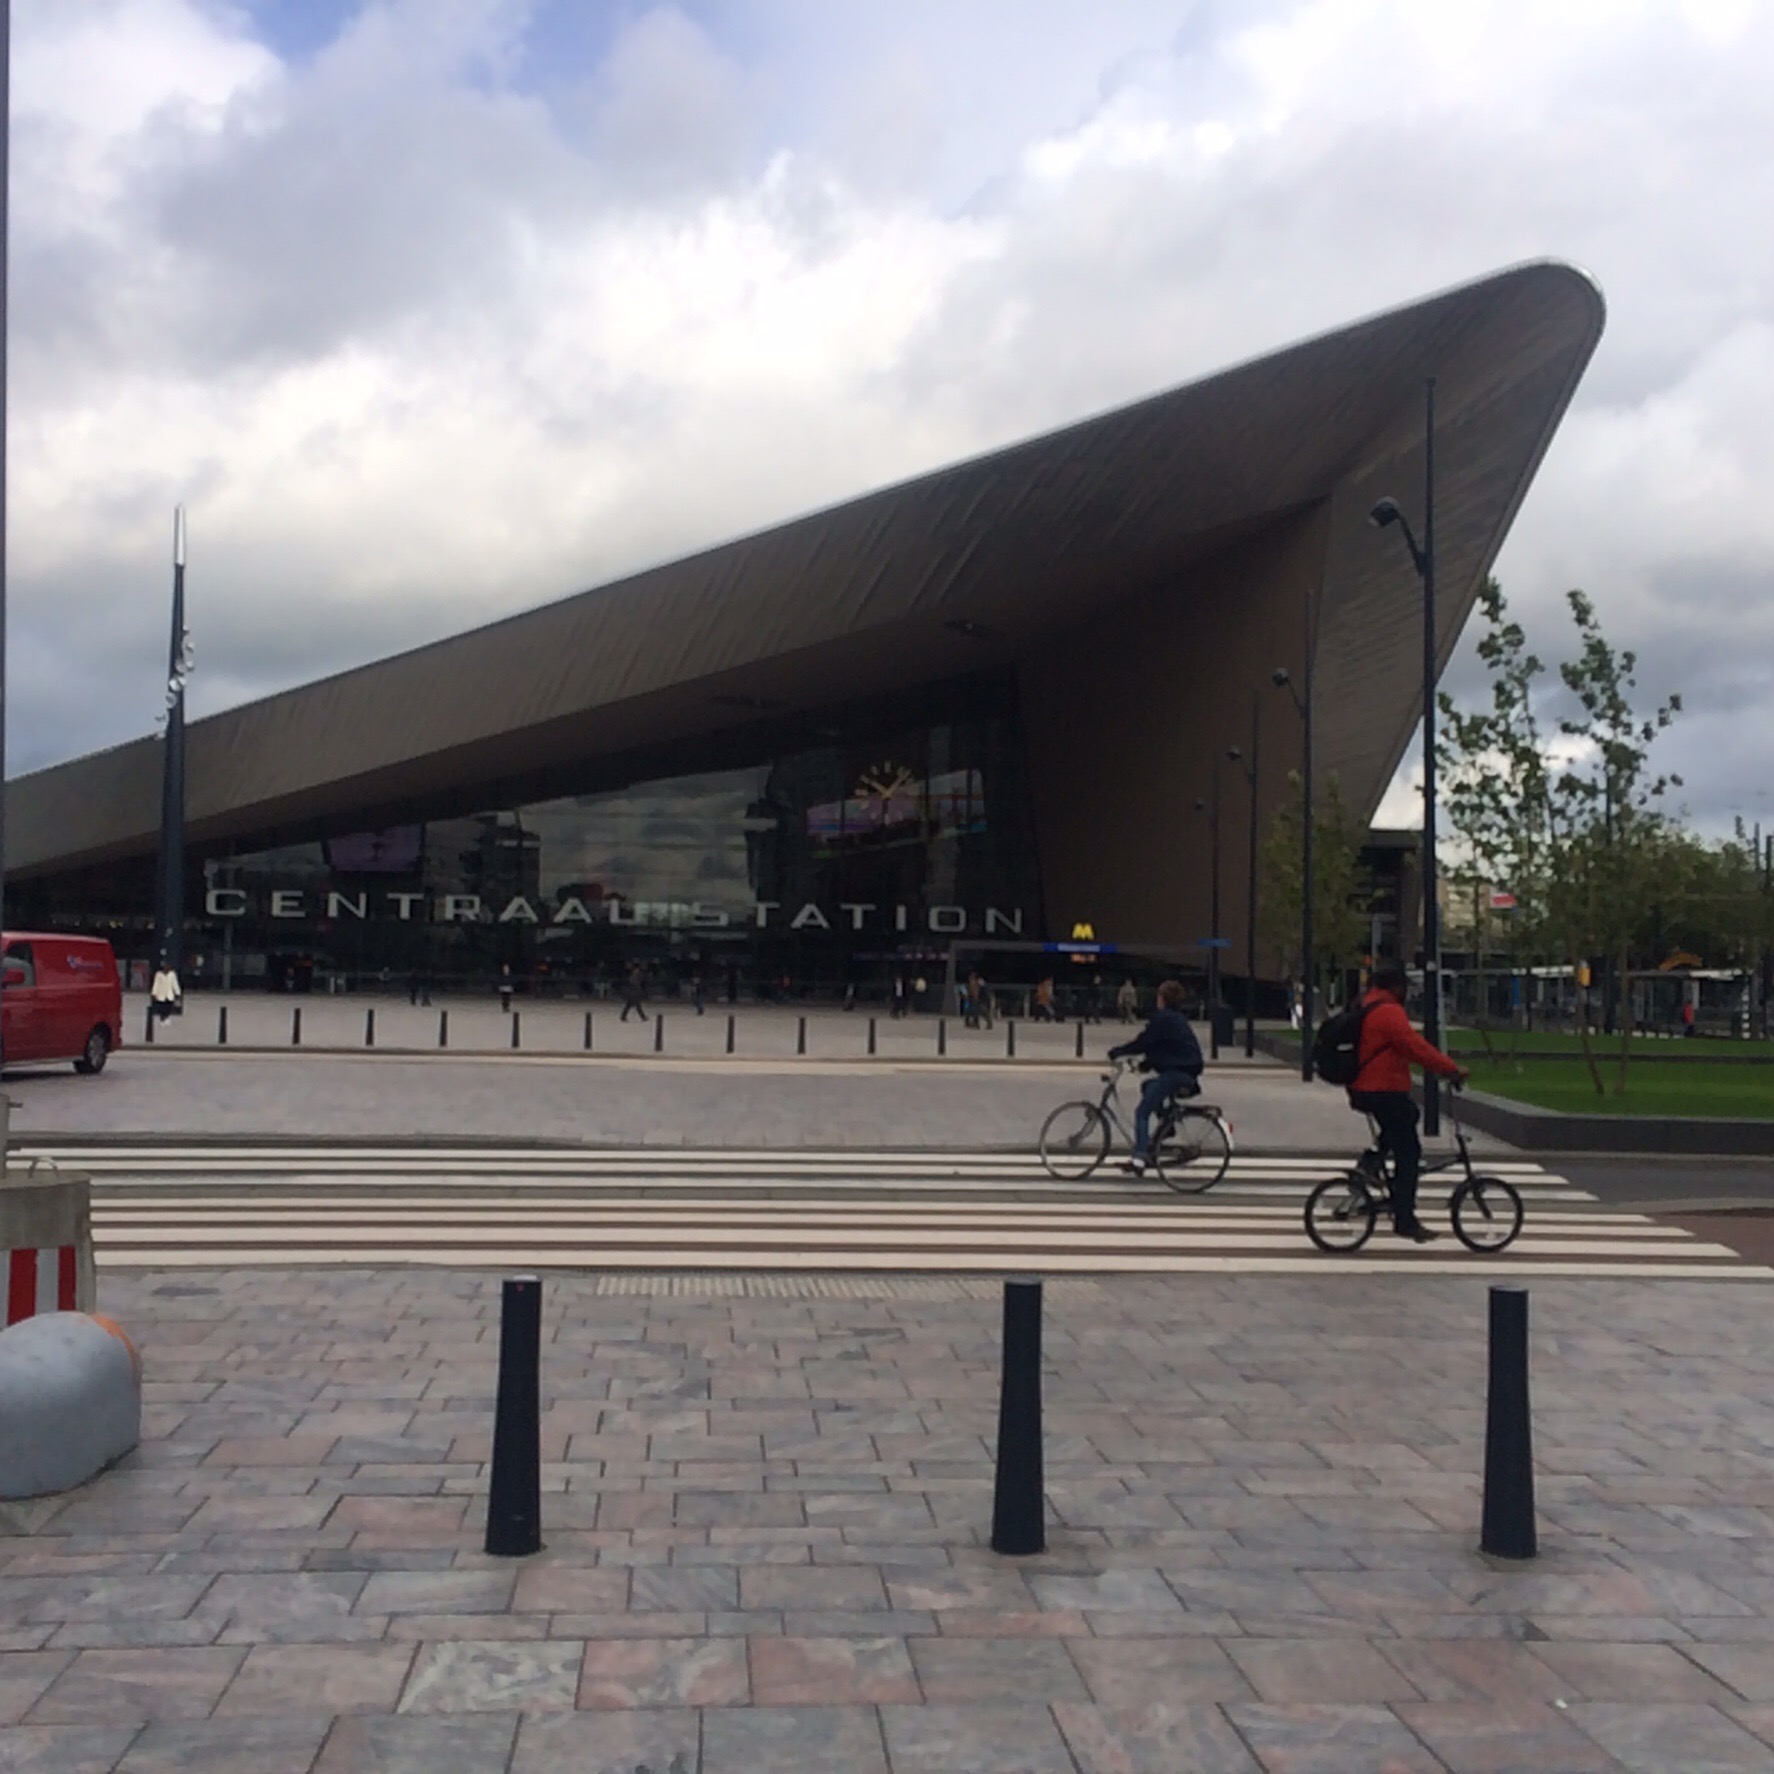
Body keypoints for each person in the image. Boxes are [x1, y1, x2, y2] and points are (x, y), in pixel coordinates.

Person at [1346, 959, 1469, 1243]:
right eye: (1404, 987)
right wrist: (1450, 1069)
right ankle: (1405, 1218)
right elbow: (1415, 1047)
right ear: (1396, 987)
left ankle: (1371, 1162)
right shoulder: (1389, 1012)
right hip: (1382, 1089)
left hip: (1366, 1088)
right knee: (1410, 1153)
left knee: (1409, 1114)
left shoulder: (1366, 1004)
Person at [1108, 979, 1204, 1174]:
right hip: (1185, 1071)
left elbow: (1144, 1042)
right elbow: (1164, 1046)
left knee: (1142, 1113)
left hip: (1177, 1073)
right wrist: (1146, 1064)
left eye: (1159, 996)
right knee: (1148, 1086)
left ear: (1163, 999)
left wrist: (1118, 1052)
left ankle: (1139, 1159)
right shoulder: (1175, 1018)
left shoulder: (1164, 1019)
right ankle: (1167, 1125)